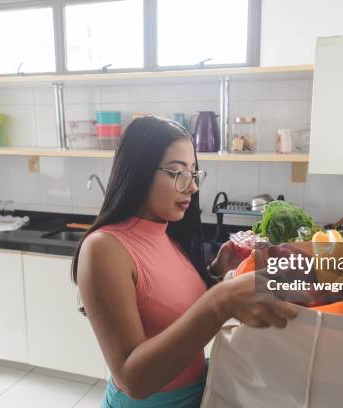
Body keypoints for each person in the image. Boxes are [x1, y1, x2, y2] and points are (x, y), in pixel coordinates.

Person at [71, 116, 298, 408]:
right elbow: (133, 379)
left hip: (198, 393)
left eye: (194, 173)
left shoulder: (169, 233)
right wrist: (220, 300)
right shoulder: (103, 248)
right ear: (139, 171)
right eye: (178, 173)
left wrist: (217, 273)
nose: (191, 187)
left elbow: (173, 310)